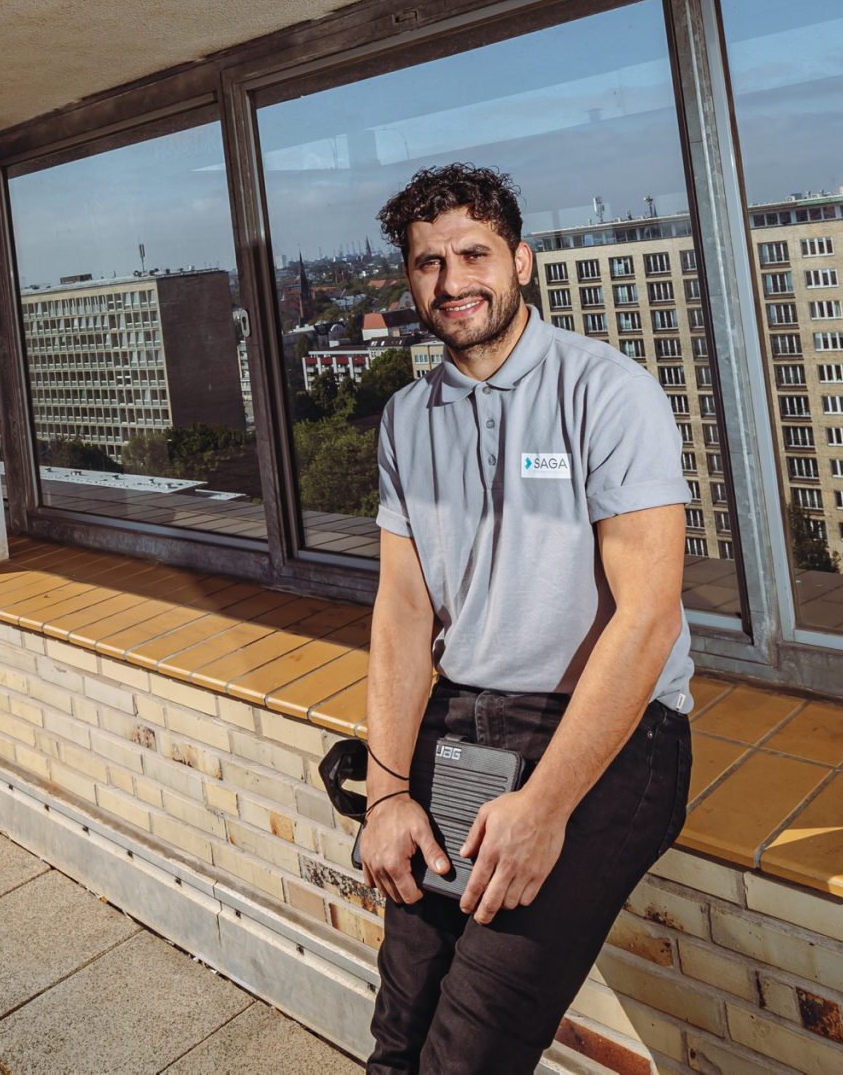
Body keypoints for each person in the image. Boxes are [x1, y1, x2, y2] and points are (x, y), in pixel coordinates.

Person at [356, 162, 694, 1074]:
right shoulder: (405, 419)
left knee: (469, 1050)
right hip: (467, 722)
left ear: (522, 261)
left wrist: (546, 806)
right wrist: (387, 795)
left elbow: (649, 618)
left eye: (474, 253)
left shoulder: (606, 392)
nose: (453, 280)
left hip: (610, 732)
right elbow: (401, 612)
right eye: (430, 262)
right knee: (400, 1037)